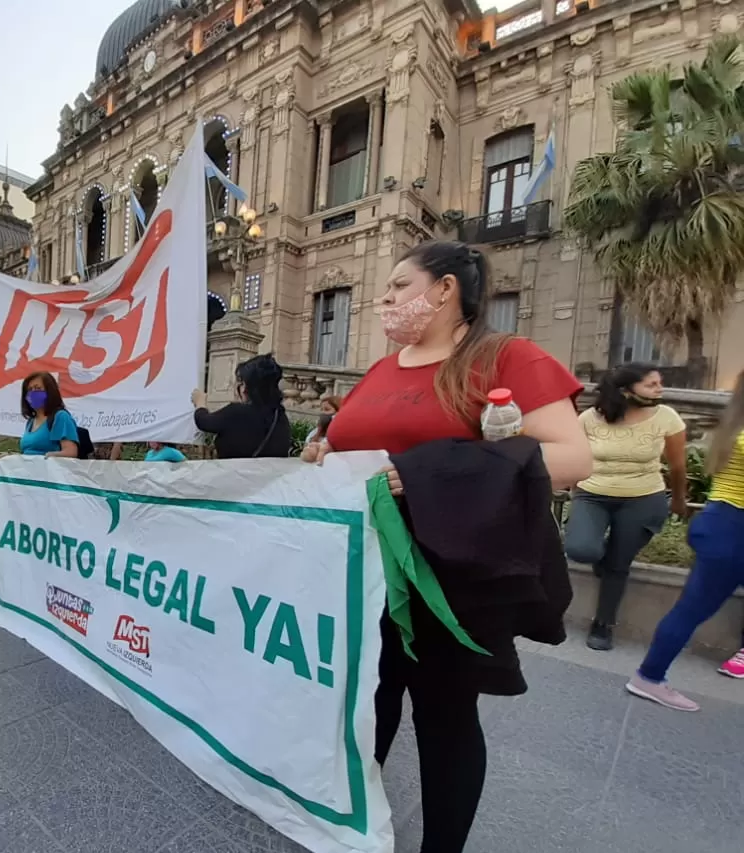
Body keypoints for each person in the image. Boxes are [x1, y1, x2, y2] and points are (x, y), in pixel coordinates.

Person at [301, 240, 591, 853]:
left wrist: (432, 473)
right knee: (362, 708)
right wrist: (325, 456)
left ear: (445, 290)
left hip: (450, 576)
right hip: (359, 573)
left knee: (445, 720)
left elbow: (572, 457)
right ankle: (350, 827)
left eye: (400, 285)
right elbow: (359, 448)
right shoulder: (383, 369)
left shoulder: (506, 357)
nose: (385, 299)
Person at [626, 370, 744, 711]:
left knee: (691, 609)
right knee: (692, 610)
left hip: (720, 523)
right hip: (732, 531)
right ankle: (649, 677)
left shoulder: (733, 426)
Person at [564, 363, 687, 651]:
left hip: (644, 497)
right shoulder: (590, 418)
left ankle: (603, 624)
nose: (660, 389)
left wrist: (679, 500)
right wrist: (575, 489)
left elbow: (677, 466)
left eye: (660, 383)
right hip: (593, 494)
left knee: (618, 566)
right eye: (651, 384)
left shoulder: (666, 417)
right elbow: (576, 455)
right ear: (626, 390)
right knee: (582, 549)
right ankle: (604, 558)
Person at [190, 353, 291, 459]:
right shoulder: (280, 416)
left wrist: (200, 402)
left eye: (241, 383)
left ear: (249, 387)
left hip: (235, 474)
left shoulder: (237, 413)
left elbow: (204, 422)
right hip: (271, 475)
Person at [19, 372, 79, 458]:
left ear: (50, 391)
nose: (33, 393)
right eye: (30, 390)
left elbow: (71, 452)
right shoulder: (31, 422)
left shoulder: (60, 417)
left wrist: (49, 456)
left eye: (38, 388)